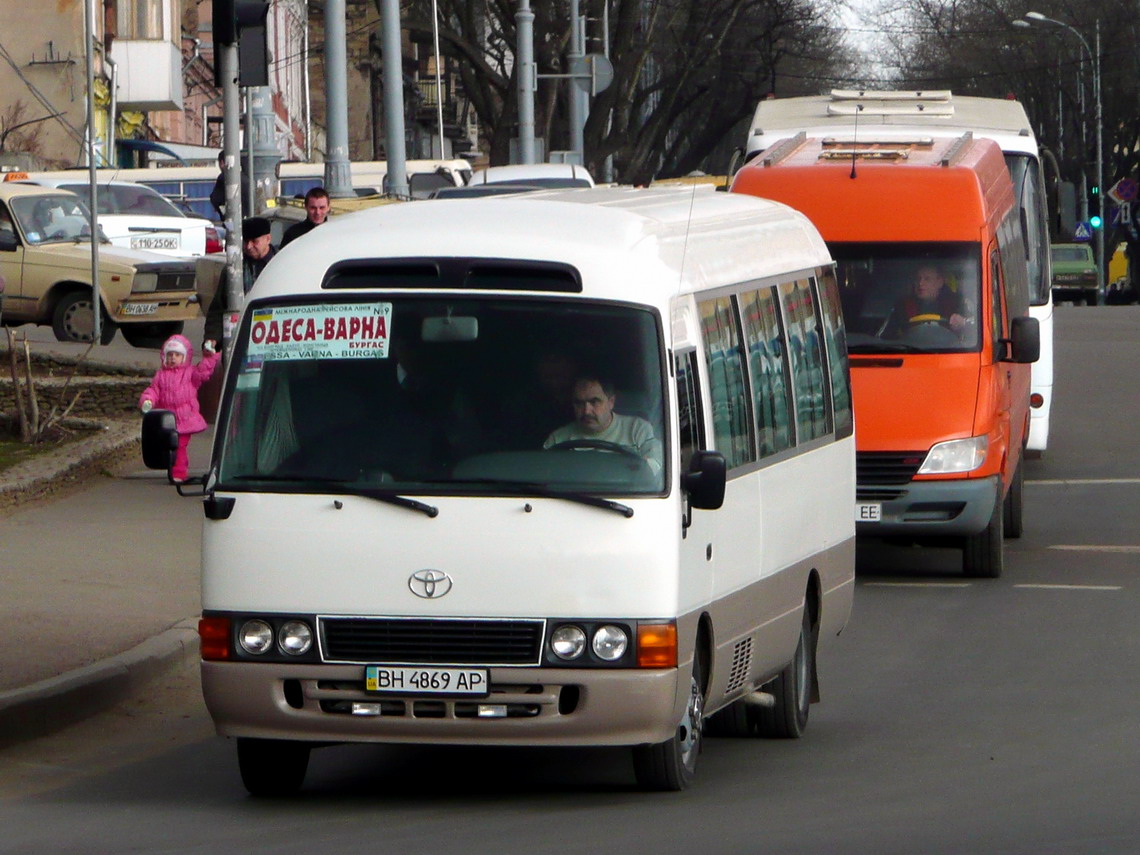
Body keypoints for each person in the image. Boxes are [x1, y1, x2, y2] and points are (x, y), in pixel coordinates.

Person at [140, 334, 220, 483]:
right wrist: (148, 400)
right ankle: (173, 469)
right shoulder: (160, 375)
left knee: (179, 446)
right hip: (168, 420)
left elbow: (203, 372)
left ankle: (179, 473)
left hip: (184, 418)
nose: (173, 358)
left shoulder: (190, 373)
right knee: (170, 446)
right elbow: (153, 390)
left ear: (184, 357)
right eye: (170, 354)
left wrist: (209, 358)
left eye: (177, 355)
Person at [543, 374, 662, 472]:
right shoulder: (558, 439)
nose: (586, 411)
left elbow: (656, 466)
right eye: (579, 403)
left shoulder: (637, 430)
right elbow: (544, 474)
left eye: (594, 402)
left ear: (611, 402)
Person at [886, 264, 971, 338]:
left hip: (951, 352)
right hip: (911, 350)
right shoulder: (902, 305)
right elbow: (888, 335)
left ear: (940, 282)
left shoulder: (958, 303)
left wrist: (963, 322)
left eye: (927, 279)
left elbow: (976, 328)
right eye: (918, 279)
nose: (920, 283)